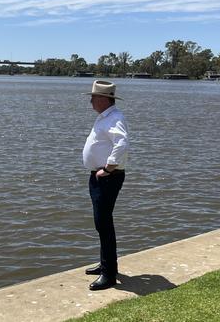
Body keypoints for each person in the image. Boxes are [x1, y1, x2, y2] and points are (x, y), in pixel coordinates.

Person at [82, 80, 129, 291]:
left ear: (103, 99)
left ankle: (109, 274)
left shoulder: (115, 118)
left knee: (104, 223)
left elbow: (122, 142)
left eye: (93, 97)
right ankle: (106, 265)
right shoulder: (105, 118)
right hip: (101, 176)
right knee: (101, 224)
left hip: (108, 177)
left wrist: (108, 168)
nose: (91, 101)